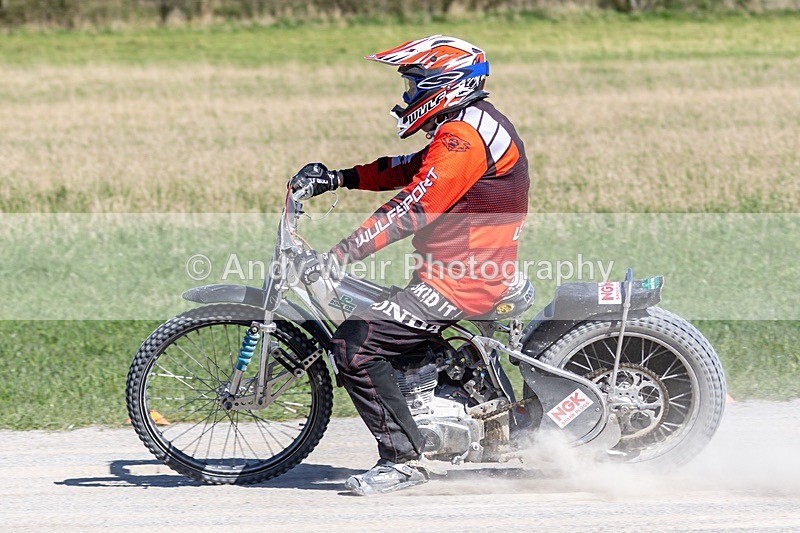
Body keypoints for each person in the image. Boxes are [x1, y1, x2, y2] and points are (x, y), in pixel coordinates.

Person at [289, 35, 530, 495]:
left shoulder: (463, 138)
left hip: (462, 281)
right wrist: (339, 178)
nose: (406, 97)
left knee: (354, 345)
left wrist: (341, 254)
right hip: (461, 270)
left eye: (413, 83)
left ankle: (402, 460)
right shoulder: (467, 123)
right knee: (381, 320)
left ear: (443, 82)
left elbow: (412, 208)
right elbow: (409, 169)